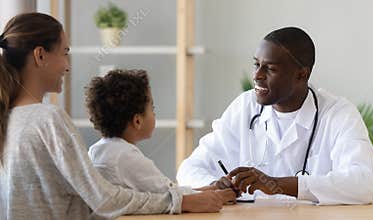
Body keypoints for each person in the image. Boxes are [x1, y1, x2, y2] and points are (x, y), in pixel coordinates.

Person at [0, 13, 225, 220]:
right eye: (65, 53)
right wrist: (180, 202)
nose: (67, 66)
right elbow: (103, 199)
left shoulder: (9, 118)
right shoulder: (48, 119)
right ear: (40, 55)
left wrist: (187, 195)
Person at [176, 27, 373, 205]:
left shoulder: (339, 114)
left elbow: (363, 184)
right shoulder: (245, 107)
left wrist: (277, 184)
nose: (257, 76)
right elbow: (188, 169)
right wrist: (214, 185)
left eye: (270, 69)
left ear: (302, 74)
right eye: (256, 65)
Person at [85, 69, 236, 205]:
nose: (154, 113)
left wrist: (211, 188)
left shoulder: (97, 150)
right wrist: (218, 195)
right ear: (137, 121)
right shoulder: (126, 156)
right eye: (152, 108)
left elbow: (168, 194)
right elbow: (170, 194)